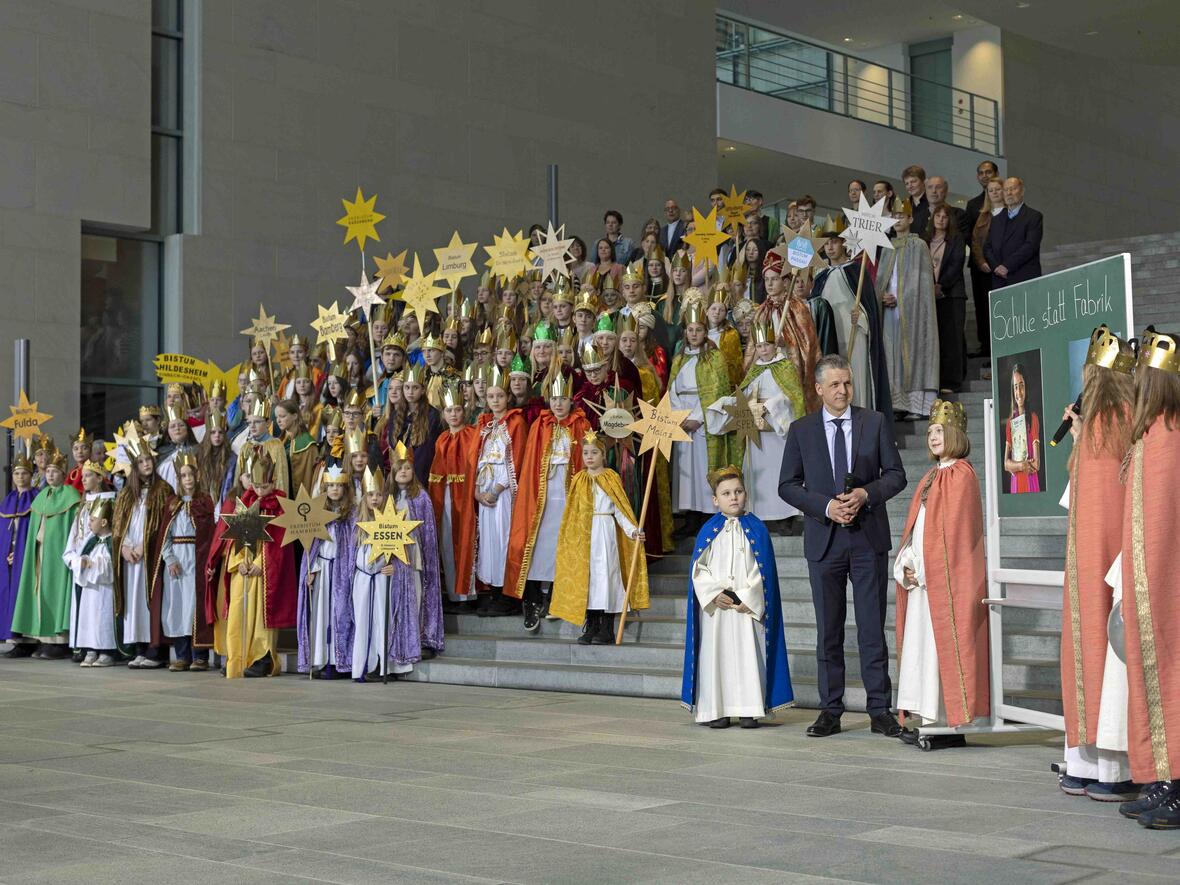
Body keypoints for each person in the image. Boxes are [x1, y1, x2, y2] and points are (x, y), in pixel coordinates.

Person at [778, 355, 907, 738]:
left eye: (847, 383)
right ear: (818, 389)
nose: (842, 391)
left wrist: (866, 494)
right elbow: (787, 485)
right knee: (828, 631)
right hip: (824, 542)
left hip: (867, 540)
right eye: (834, 385)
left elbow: (897, 475)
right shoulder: (801, 430)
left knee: (871, 629)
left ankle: (879, 710)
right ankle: (830, 710)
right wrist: (826, 506)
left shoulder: (875, 422)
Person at [1057, 326, 1137, 799]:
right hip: (1115, 556)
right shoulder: (1126, 419)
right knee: (1111, 656)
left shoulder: (1097, 425)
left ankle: (1083, 766)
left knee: (1089, 644)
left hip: (1089, 559)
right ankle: (1113, 769)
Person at [893, 401, 989, 747]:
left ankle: (948, 724)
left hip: (943, 583)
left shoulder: (961, 475)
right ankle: (926, 717)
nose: (933, 436)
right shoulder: (932, 476)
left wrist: (927, 568)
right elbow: (918, 528)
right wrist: (906, 563)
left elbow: (956, 537)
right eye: (931, 430)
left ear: (955, 434)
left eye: (939, 430)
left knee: (940, 649)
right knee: (922, 650)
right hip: (922, 582)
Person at [1117, 327, 1180, 828]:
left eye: (1142, 373)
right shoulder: (1152, 433)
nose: (1135, 379)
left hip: (1170, 581)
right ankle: (1163, 774)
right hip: (1149, 579)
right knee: (1153, 670)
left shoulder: (1172, 434)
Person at [680, 466, 792, 728]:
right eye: (727, 493)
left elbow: (762, 572)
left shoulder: (757, 529)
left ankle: (749, 709)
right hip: (717, 609)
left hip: (745, 607)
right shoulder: (709, 529)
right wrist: (713, 593)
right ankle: (716, 710)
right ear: (715, 500)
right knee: (716, 658)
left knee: (747, 657)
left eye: (738, 491)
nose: (734, 497)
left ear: (746, 494)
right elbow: (699, 568)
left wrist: (747, 597)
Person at [504, 374, 590, 631]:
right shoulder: (541, 426)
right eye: (554, 399)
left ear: (570, 400)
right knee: (533, 547)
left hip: (567, 497)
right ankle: (531, 600)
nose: (558, 404)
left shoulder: (581, 425)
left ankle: (555, 597)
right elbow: (531, 464)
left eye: (563, 398)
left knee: (560, 549)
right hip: (540, 499)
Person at [205, 446, 296, 678]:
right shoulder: (243, 501)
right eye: (256, 485)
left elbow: (280, 542)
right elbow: (234, 537)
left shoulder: (280, 504)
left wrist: (261, 564)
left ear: (273, 481)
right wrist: (237, 562)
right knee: (238, 612)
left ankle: (262, 657)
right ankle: (237, 658)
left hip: (264, 571)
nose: (260, 491)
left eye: (264, 486)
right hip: (242, 570)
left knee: (261, 616)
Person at [549, 430, 647, 645]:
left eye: (594, 452)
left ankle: (606, 628)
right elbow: (572, 511)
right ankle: (591, 625)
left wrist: (633, 530)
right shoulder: (578, 479)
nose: (589, 457)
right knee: (589, 579)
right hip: (584, 536)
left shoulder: (611, 478)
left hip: (605, 533)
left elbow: (621, 509)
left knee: (607, 578)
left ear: (603, 455)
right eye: (585, 453)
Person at [721, 318, 804, 525]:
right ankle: (763, 516)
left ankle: (785, 517)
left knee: (779, 472)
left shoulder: (785, 367)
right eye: (759, 346)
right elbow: (746, 393)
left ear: (774, 345)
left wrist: (771, 405)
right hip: (756, 432)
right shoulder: (754, 369)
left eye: (766, 345)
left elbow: (792, 396)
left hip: (777, 432)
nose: (763, 349)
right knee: (761, 475)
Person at [668, 300, 738, 531]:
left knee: (703, 467)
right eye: (690, 330)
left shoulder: (714, 358)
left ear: (705, 331)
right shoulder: (679, 359)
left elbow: (718, 391)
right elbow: (672, 389)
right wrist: (680, 416)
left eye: (699, 329)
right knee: (685, 472)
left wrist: (697, 418)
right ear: (685, 332)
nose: (694, 334)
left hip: (703, 422)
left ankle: (708, 513)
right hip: (682, 421)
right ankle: (690, 517)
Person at [811, 223, 892, 416]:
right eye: (827, 243)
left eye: (834, 242)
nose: (830, 247)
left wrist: (862, 316)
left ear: (843, 243)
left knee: (856, 378)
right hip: (831, 335)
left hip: (855, 332)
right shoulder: (821, 275)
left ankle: (861, 421)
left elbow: (869, 307)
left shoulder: (856, 271)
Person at [8, 451, 81, 658]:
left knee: (56, 591)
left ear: (63, 474)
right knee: (40, 592)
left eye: (55, 471)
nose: (50, 475)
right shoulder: (41, 496)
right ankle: (42, 638)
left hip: (58, 554)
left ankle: (60, 641)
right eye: (48, 471)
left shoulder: (71, 496)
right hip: (40, 552)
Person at [875, 197, 939, 419]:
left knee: (914, 353)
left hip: (911, 311)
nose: (897, 219)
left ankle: (917, 406)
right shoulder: (887, 247)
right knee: (893, 355)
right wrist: (881, 295)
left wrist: (901, 299)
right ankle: (897, 404)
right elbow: (882, 279)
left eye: (901, 215)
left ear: (910, 218)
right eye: (893, 216)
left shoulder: (918, 245)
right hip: (889, 312)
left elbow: (920, 282)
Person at [112, 433, 173, 669]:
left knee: (150, 600)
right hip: (130, 557)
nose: (146, 464)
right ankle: (138, 648)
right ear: (135, 466)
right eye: (141, 461)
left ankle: (155, 649)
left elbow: (164, 523)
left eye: (149, 460)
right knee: (133, 602)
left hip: (150, 556)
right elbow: (119, 524)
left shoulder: (163, 490)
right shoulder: (127, 494)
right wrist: (125, 547)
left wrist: (144, 546)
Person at [152, 452, 216, 671]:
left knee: (194, 607)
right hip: (176, 561)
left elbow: (209, 535)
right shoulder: (172, 504)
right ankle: (182, 655)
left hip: (196, 560)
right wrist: (169, 559)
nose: (187, 479)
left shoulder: (204, 502)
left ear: (197, 476)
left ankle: (200, 656)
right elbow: (164, 537)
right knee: (177, 607)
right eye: (183, 476)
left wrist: (207, 562)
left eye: (190, 475)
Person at [474, 364, 527, 617]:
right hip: (485, 491)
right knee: (490, 542)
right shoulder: (486, 425)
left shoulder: (515, 422)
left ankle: (509, 596)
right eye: (491, 396)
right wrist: (477, 490)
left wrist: (496, 489)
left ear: (508, 397)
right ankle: (494, 591)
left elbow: (517, 458)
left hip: (503, 492)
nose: (495, 400)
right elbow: (478, 458)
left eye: (500, 396)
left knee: (505, 538)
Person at [387, 442, 443, 669]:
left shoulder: (421, 497)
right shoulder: (385, 497)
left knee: (416, 596)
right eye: (399, 468)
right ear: (392, 471)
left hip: (413, 556)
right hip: (391, 558)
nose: (403, 472)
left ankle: (417, 639)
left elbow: (427, 532)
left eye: (408, 468)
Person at [297, 464, 355, 679]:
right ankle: (321, 660)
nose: (334, 490)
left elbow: (352, 544)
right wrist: (310, 568)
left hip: (342, 571)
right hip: (322, 570)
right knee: (321, 617)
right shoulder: (317, 513)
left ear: (345, 488)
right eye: (330, 486)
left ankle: (339, 661)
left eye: (338, 486)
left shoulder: (352, 514)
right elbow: (311, 546)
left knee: (340, 614)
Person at [429, 384, 480, 612]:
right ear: (443, 414)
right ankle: (454, 594)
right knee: (448, 543)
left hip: (467, 496)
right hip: (447, 496)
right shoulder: (441, 439)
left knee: (467, 540)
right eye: (449, 410)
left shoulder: (473, 435)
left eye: (458, 409)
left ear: (464, 411)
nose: (454, 414)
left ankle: (469, 594)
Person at [63, 459, 116, 661]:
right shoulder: (83, 507)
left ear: (100, 478)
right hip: (82, 566)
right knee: (86, 609)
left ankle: (105, 648)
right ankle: (87, 646)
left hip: (102, 561)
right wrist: (74, 560)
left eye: (88, 475)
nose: (83, 479)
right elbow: (74, 538)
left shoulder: (111, 501)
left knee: (102, 606)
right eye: (83, 475)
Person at [350, 466, 394, 682]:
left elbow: (403, 552)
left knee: (380, 621)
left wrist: (394, 567)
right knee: (362, 621)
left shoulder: (391, 522)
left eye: (378, 494)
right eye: (371, 494)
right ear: (364, 497)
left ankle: (382, 666)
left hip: (381, 578)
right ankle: (361, 665)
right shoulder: (357, 522)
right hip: (362, 579)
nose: (375, 498)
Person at [67, 499, 118, 668]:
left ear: (104, 522)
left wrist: (93, 563)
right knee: (88, 617)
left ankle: (106, 651)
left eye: (92, 520)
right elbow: (79, 558)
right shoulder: (91, 541)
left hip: (105, 591)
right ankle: (90, 650)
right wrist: (81, 561)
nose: (89, 523)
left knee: (103, 617)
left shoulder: (113, 541)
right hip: (89, 590)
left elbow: (111, 567)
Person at [925, 203, 968, 393]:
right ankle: (937, 379)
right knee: (938, 339)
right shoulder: (925, 240)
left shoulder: (956, 239)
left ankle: (952, 381)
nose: (941, 219)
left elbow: (956, 264)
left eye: (945, 216)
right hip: (930, 295)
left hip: (952, 294)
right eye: (938, 216)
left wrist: (940, 285)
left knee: (953, 338)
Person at [0, 453, 36, 648]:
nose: (20, 477)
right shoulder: (8, 500)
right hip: (8, 555)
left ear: (31, 475)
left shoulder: (36, 497)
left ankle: (26, 638)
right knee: (6, 590)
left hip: (25, 553)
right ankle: (9, 634)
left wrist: (20, 551)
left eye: (24, 473)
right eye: (17, 473)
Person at [965, 161, 1000, 356]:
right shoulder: (972, 205)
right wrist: (982, 260)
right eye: (981, 173)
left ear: (996, 173)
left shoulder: (1004, 201)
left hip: (1002, 266)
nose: (985, 176)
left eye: (989, 172)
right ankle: (984, 345)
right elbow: (971, 237)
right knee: (981, 306)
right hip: (981, 266)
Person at [970, 176, 1006, 358]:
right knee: (985, 311)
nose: (994, 193)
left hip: (1004, 270)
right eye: (990, 190)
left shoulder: (1010, 213)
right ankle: (988, 350)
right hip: (985, 270)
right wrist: (981, 261)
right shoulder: (983, 215)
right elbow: (975, 241)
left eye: (997, 189)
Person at [984, 177, 1043, 287]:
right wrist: (996, 267)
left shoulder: (1034, 216)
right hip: (999, 280)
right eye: (1006, 190)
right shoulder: (995, 220)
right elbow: (987, 247)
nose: (1009, 193)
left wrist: (1006, 266)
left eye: (1013, 189)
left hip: (1024, 278)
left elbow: (1030, 246)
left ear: (1022, 191)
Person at [1003, 362, 1042, 494]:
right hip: (1016, 484)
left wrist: (1017, 466)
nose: (1018, 392)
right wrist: (1021, 465)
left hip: (1031, 481)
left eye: (1021, 386)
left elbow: (1037, 464)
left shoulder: (1033, 418)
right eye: (1015, 387)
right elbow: (1006, 464)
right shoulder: (1010, 422)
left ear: (1027, 388)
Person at [901, 164, 930, 236]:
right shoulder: (903, 205)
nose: (910, 186)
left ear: (923, 182)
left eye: (913, 181)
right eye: (907, 183)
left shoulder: (932, 203)